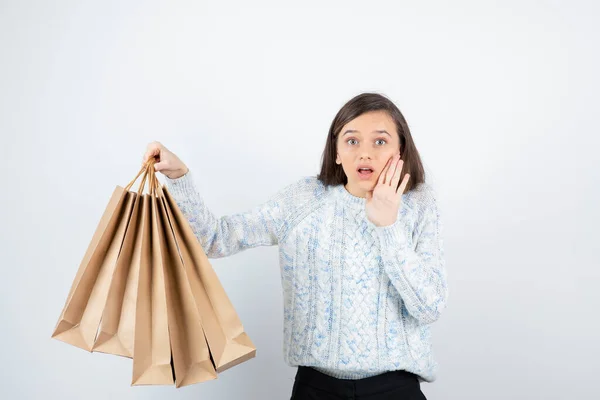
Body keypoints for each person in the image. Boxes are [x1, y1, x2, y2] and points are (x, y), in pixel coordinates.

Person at [143, 92, 448, 399]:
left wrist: (388, 227)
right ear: (337, 151)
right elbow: (215, 239)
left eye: (380, 141)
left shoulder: (418, 205)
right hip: (317, 389)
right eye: (352, 140)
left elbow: (429, 307)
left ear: (401, 150)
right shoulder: (303, 200)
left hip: (395, 389)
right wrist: (179, 177)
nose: (364, 153)